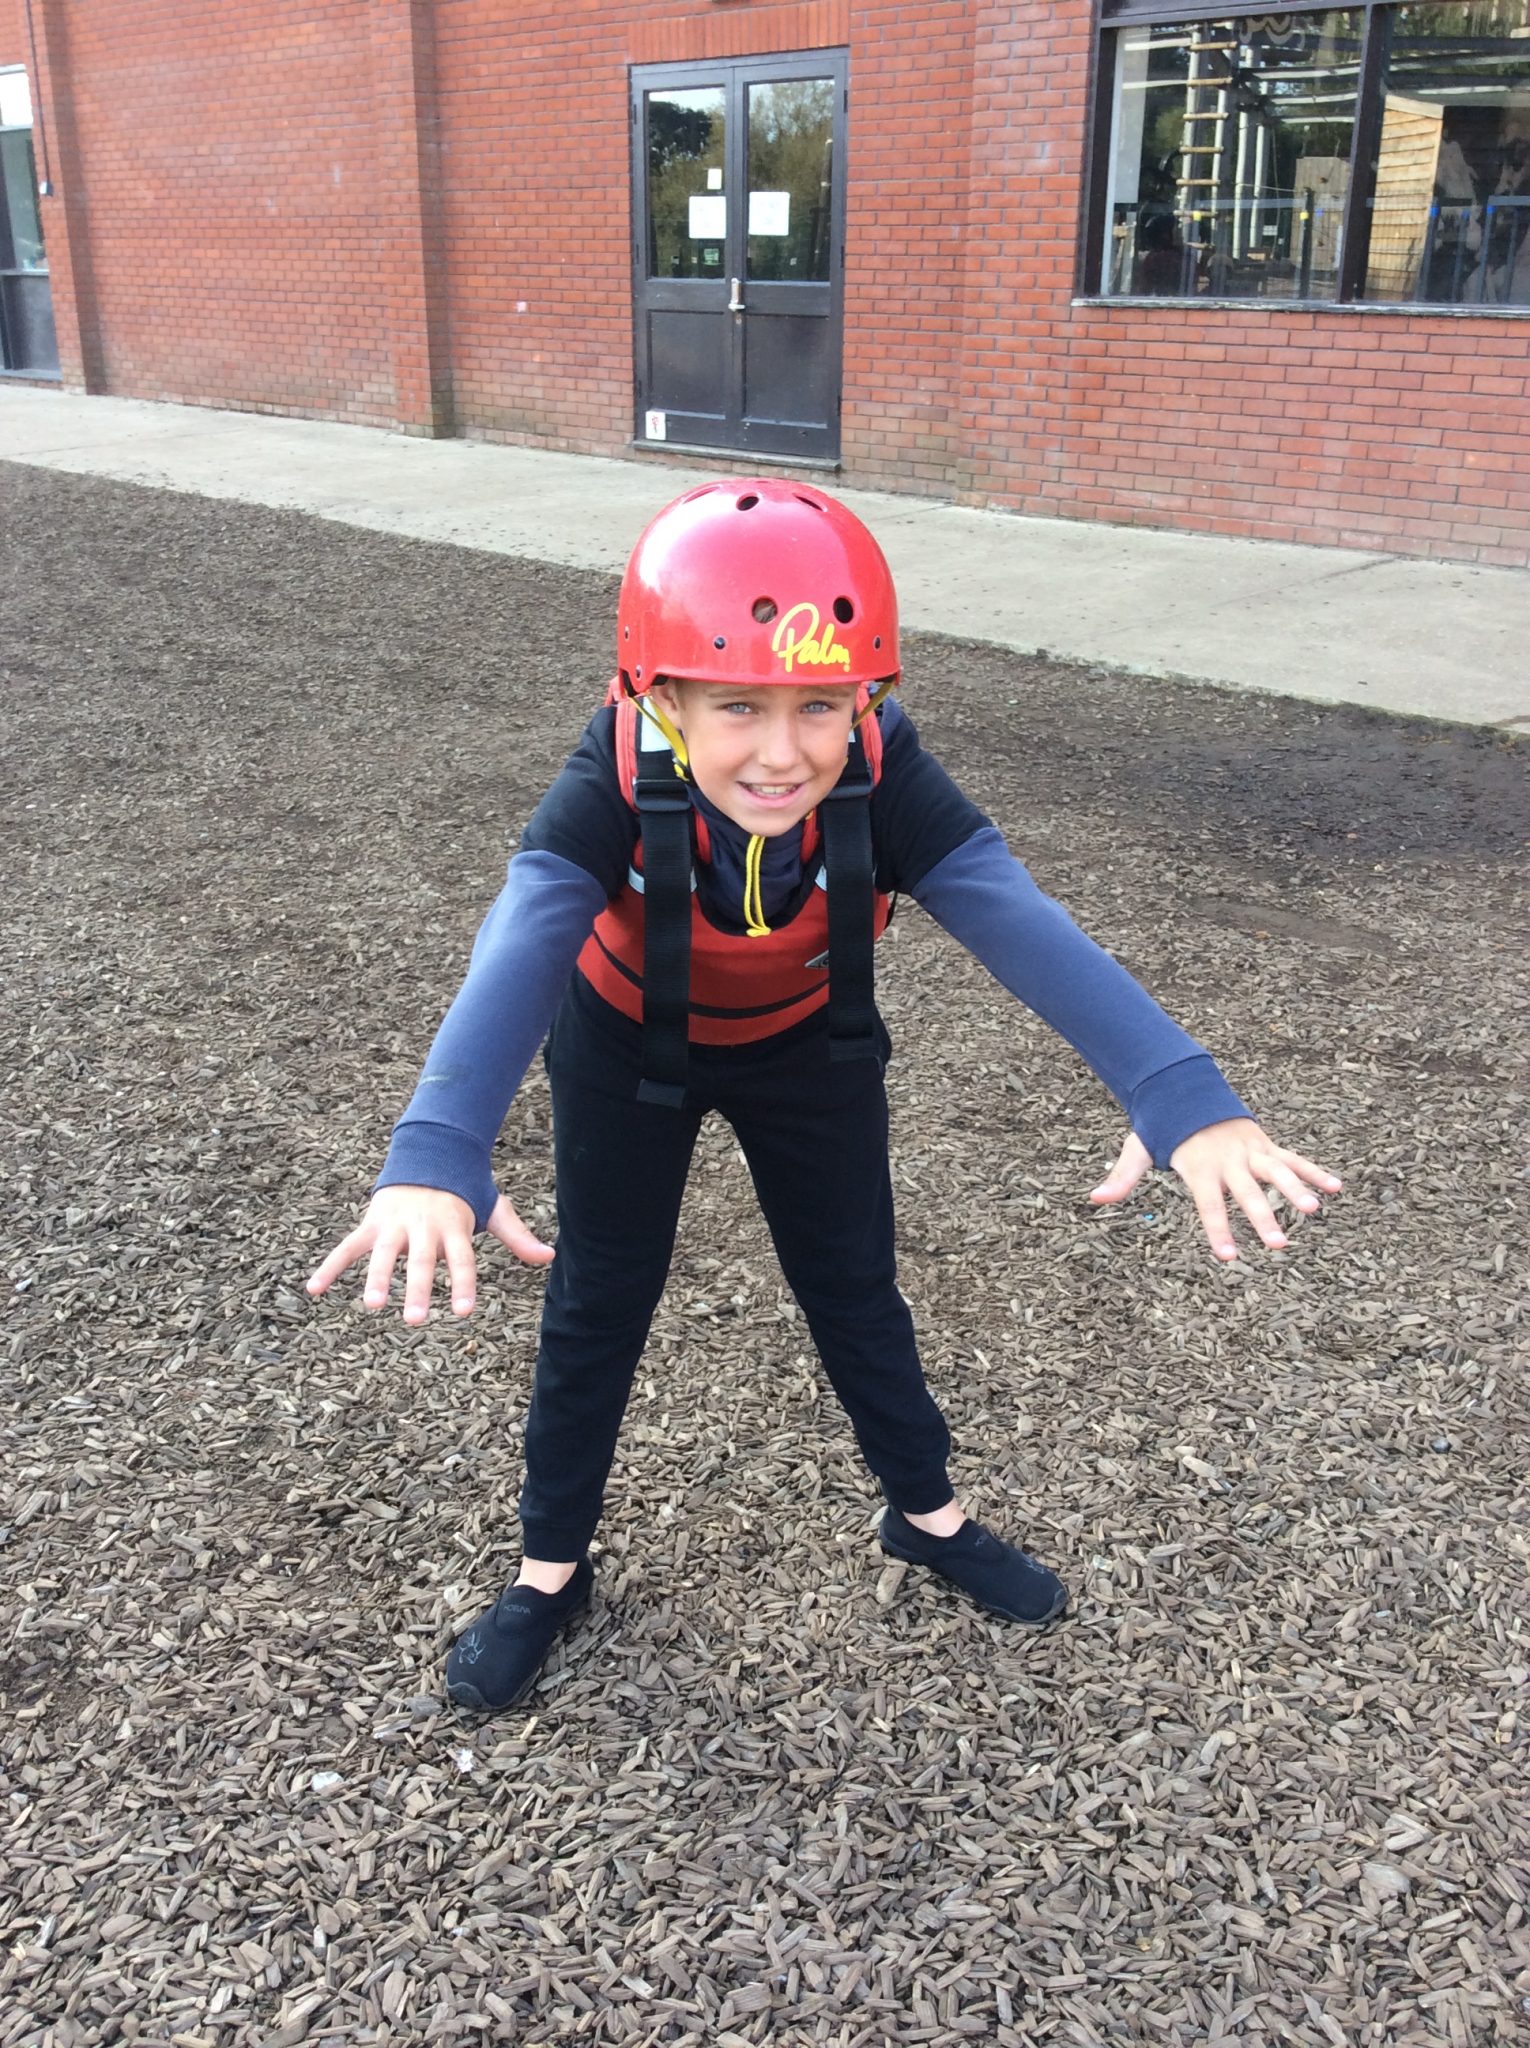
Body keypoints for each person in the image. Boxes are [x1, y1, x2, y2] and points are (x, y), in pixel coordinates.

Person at [306, 479, 1341, 1714]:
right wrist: (439, 1143)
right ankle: (550, 1571)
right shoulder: (612, 772)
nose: (783, 751)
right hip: (627, 1050)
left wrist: (1178, 1090)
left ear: (869, 698)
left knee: (853, 1284)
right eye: (738, 705)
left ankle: (928, 1514)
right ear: (662, 697)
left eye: (821, 705)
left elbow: (1006, 903)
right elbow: (532, 917)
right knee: (600, 1298)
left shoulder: (887, 770)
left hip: (809, 1043)